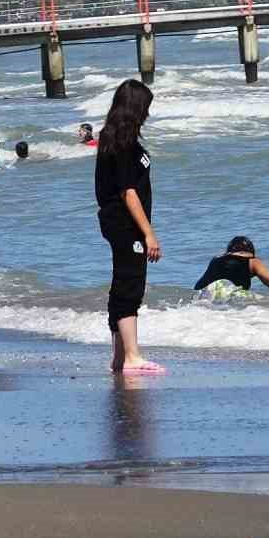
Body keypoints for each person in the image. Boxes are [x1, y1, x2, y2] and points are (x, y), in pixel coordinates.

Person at [95, 79, 162, 375]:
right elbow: (128, 192)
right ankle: (132, 356)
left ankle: (120, 357)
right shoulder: (121, 143)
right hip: (124, 222)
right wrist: (148, 233)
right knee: (129, 284)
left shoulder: (120, 139)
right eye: (145, 107)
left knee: (123, 283)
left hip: (121, 221)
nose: (147, 113)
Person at [193, 236, 269, 296]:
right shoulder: (253, 261)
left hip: (201, 296)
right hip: (227, 298)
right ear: (251, 251)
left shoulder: (216, 259)